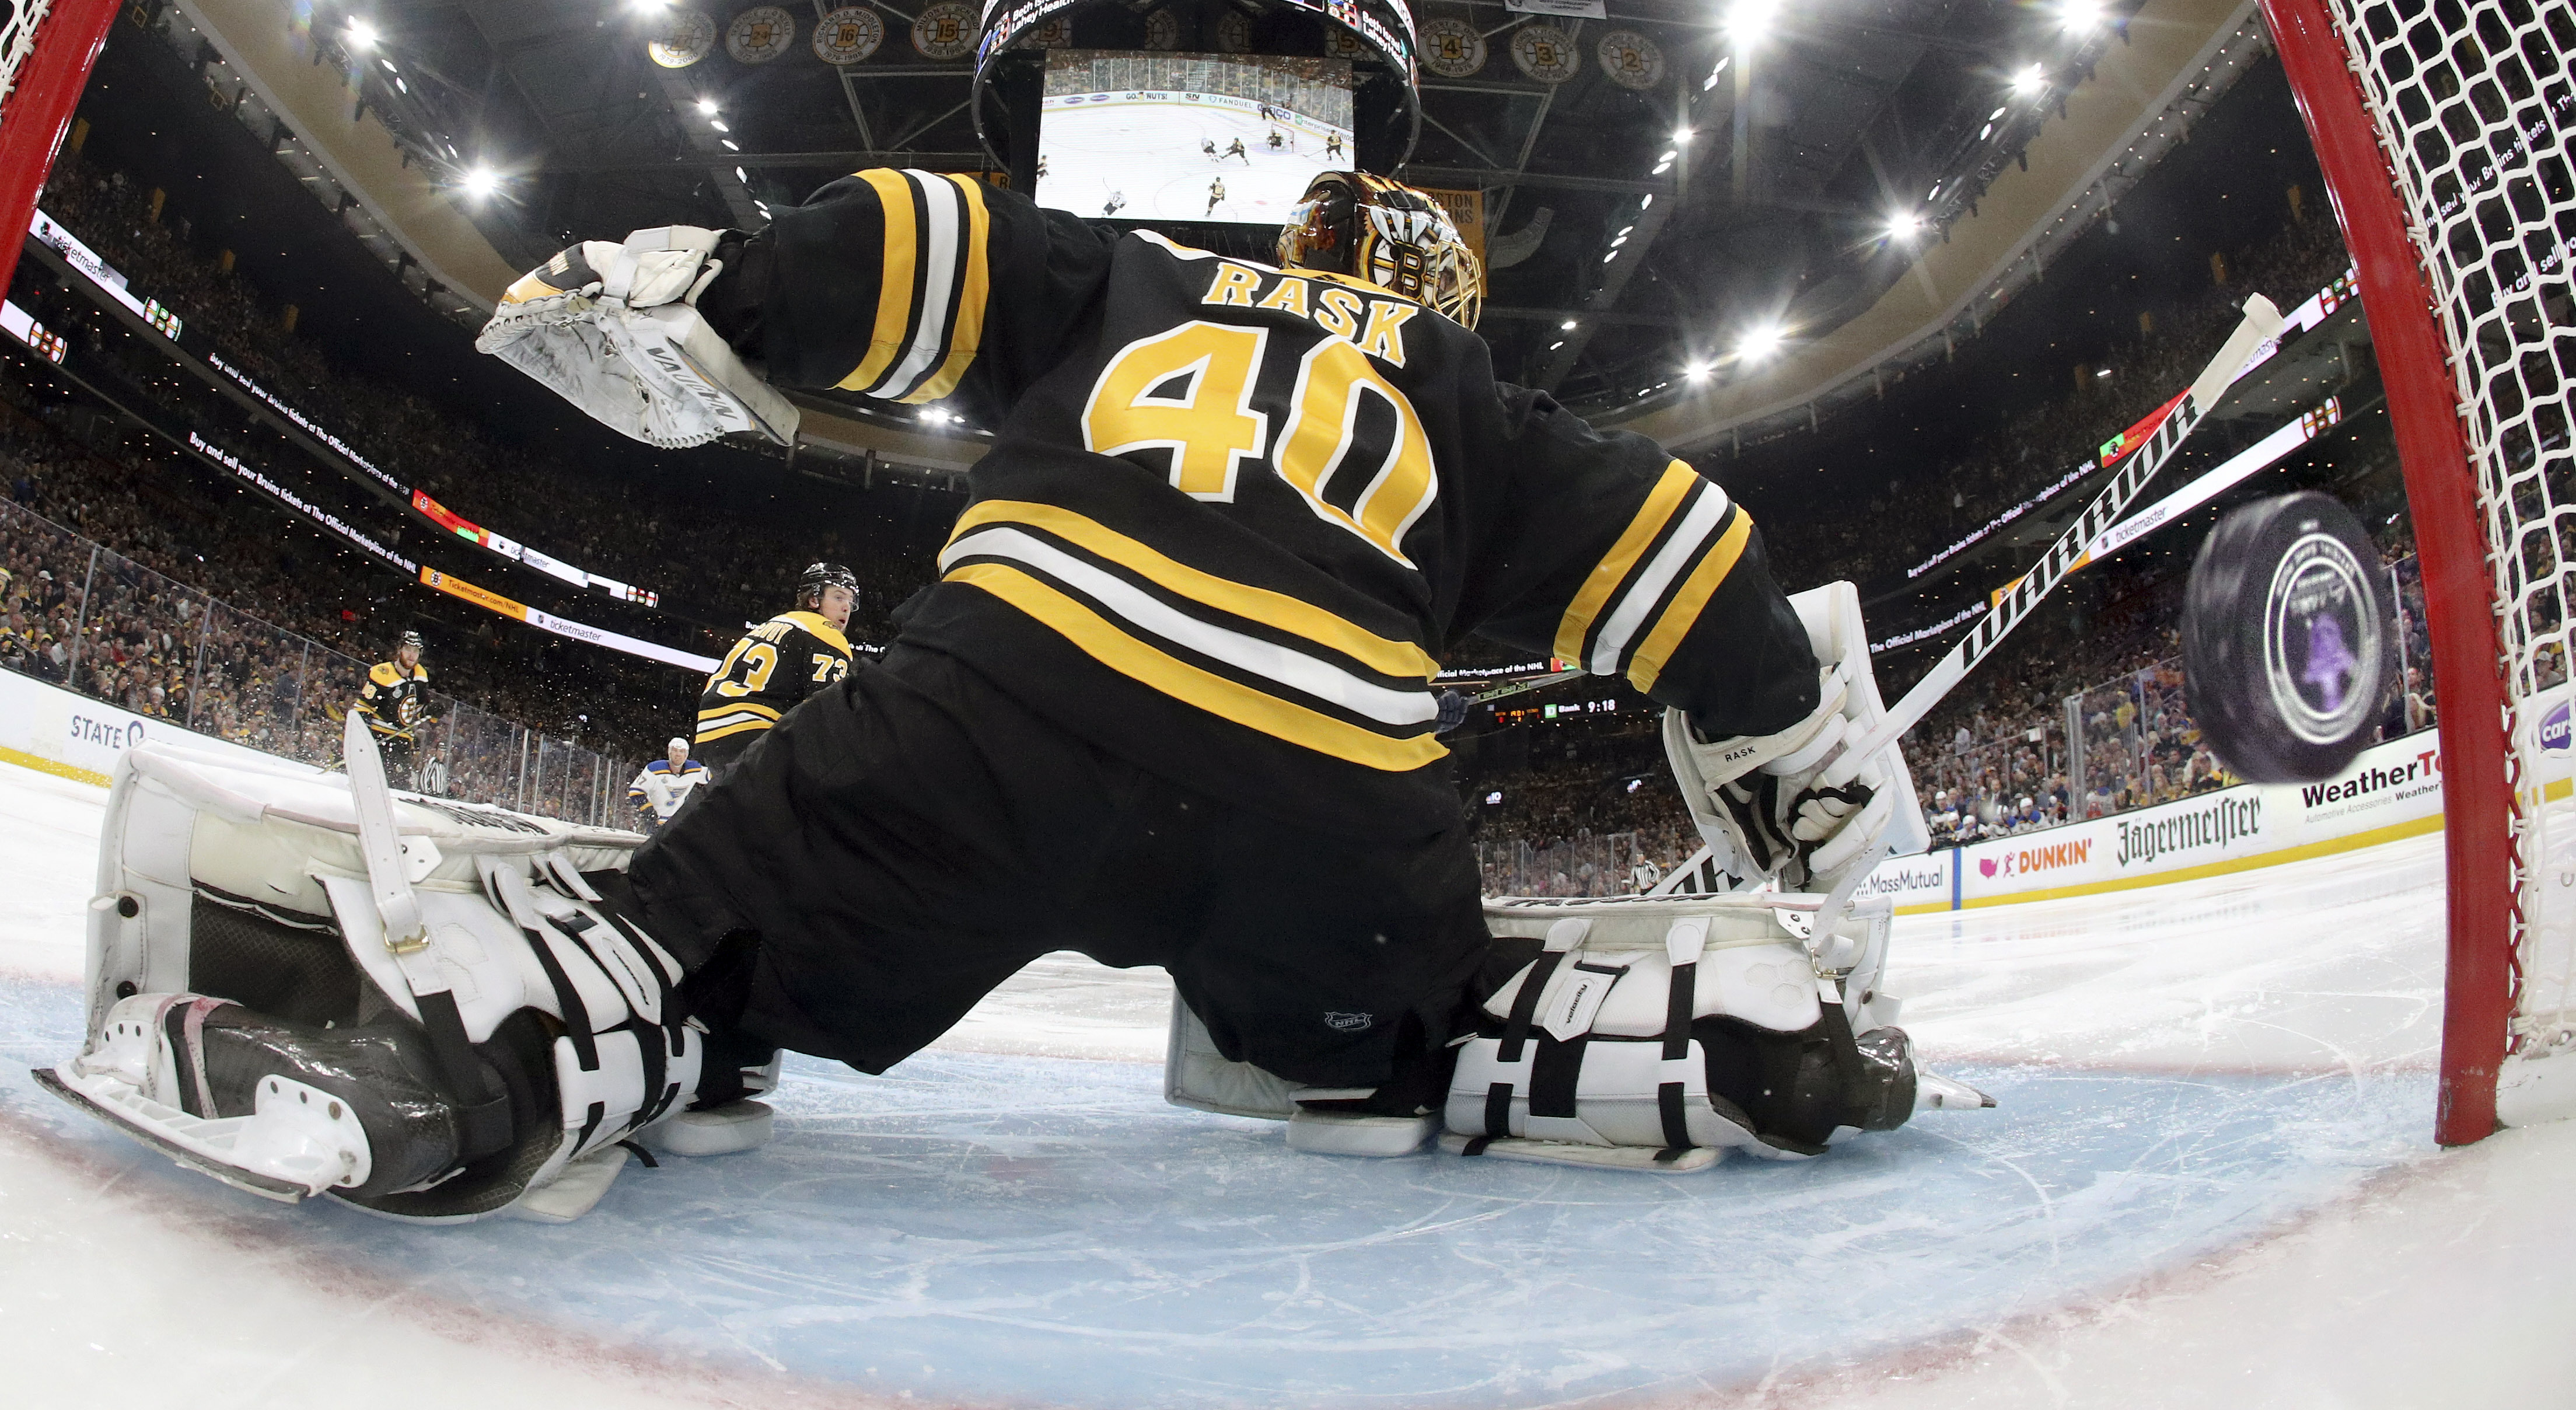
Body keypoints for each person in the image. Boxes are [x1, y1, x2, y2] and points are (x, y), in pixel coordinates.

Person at [100, 169, 1914, 1213]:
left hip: (1001, 705)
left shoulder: (1143, 276)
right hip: (1328, 790)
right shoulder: (1478, 409)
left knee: (697, 943)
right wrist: (1785, 738)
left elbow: (923, 239)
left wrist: (727, 290)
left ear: (1291, 252)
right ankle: (1702, 1038)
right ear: (1446, 299)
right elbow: (1690, 553)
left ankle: (489, 1052)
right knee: (1411, 1031)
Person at [695, 563, 856, 773]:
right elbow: (824, 710)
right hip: (756, 735)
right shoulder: (827, 633)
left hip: (709, 733)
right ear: (814, 599)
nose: (846, 607)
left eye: (851, 601)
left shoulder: (774, 623)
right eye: (838, 597)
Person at [356, 629, 432, 790]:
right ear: (400, 650)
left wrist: (431, 712)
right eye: (408, 649)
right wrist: (365, 739)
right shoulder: (382, 673)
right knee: (371, 785)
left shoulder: (421, 676)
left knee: (398, 788)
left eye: (416, 651)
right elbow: (363, 708)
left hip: (403, 741)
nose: (412, 655)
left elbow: (419, 711)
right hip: (380, 736)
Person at [628, 737, 712, 828]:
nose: (678, 754)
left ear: (686, 755)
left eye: (682, 751)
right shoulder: (654, 769)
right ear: (669, 752)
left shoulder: (694, 769)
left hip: (676, 823)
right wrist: (649, 814)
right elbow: (635, 792)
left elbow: (714, 774)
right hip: (655, 822)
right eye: (675, 750)